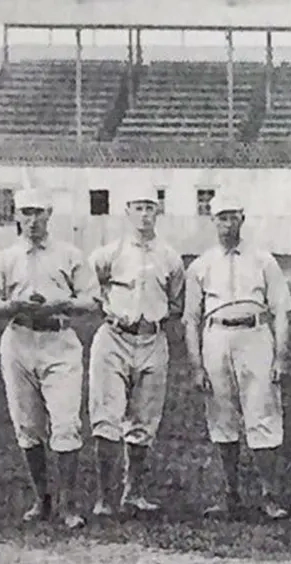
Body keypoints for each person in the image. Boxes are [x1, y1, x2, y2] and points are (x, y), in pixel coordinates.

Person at [0, 188, 98, 529]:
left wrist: (60, 303)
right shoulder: (6, 258)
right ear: (16, 216)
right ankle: (42, 499)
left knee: (65, 424)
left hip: (59, 340)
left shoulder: (69, 254)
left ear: (49, 214)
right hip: (19, 339)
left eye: (38, 213)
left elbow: (92, 300)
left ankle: (68, 504)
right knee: (27, 425)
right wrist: (15, 305)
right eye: (26, 213)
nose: (32, 220)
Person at [182, 193, 291, 521]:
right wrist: (196, 365)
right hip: (216, 337)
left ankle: (270, 495)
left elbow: (282, 311)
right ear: (212, 221)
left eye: (232, 217)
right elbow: (190, 319)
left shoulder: (263, 260)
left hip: (255, 336)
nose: (227, 225)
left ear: (242, 219)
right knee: (221, 417)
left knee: (263, 414)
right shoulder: (201, 265)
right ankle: (230, 494)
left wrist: (281, 357)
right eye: (221, 218)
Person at [87, 184, 186, 516]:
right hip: (114, 338)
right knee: (106, 417)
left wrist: (153, 320)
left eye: (149, 207)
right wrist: (108, 307)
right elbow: (89, 285)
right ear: (126, 212)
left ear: (158, 211)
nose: (144, 214)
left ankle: (134, 492)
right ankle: (105, 498)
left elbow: (176, 301)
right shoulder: (108, 253)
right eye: (138, 208)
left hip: (152, 339)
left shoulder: (170, 256)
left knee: (144, 419)